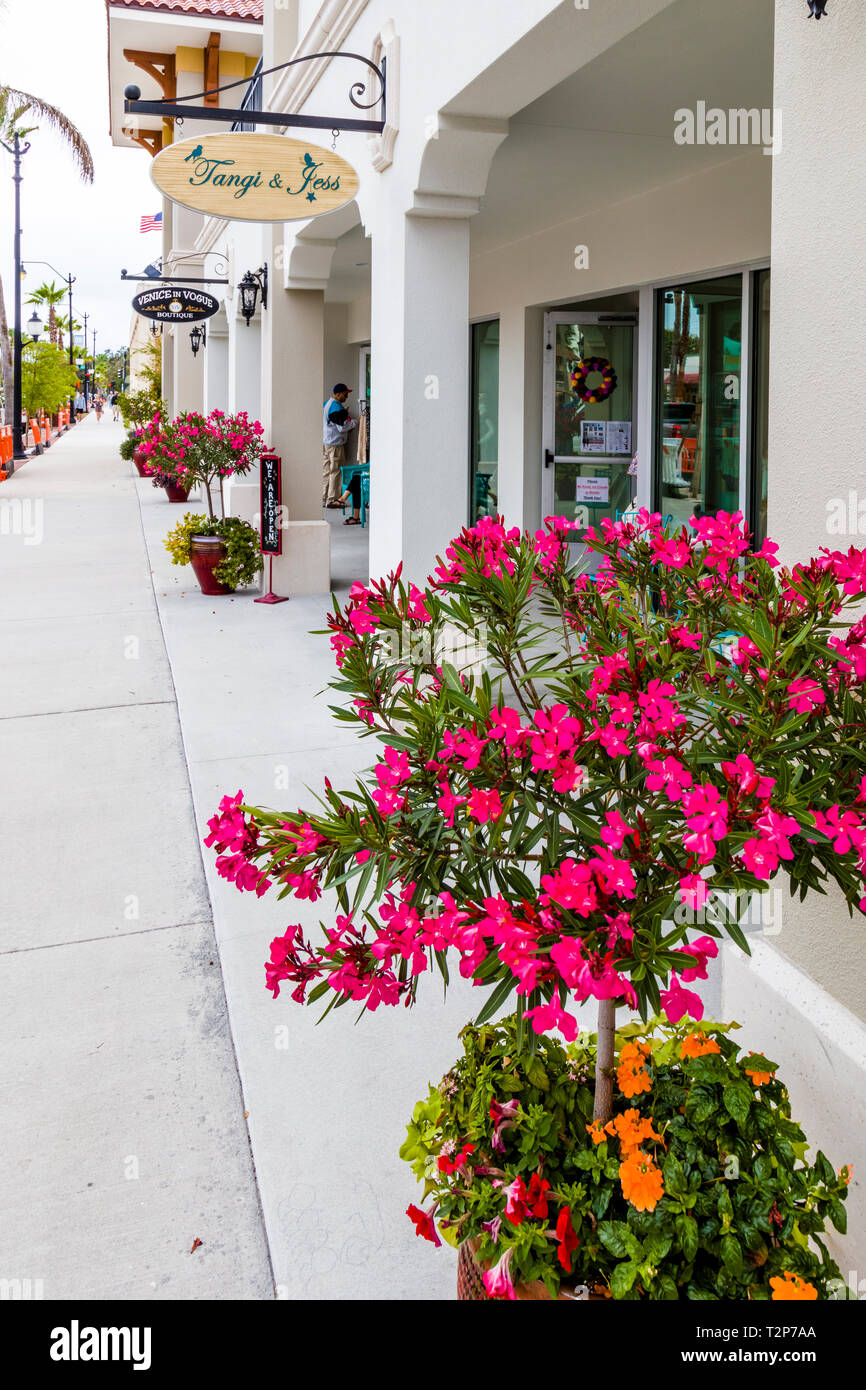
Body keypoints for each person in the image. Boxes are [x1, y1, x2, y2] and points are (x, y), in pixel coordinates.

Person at [322, 383, 356, 508]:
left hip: (326, 442)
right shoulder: (336, 407)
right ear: (337, 394)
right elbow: (342, 427)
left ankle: (324, 497)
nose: (346, 396)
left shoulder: (327, 404)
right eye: (345, 394)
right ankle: (333, 499)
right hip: (335, 444)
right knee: (335, 471)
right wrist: (355, 423)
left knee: (326, 471)